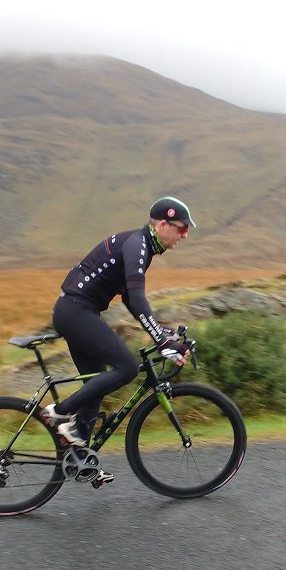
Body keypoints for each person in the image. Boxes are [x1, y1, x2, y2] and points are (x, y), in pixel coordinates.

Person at [44, 196, 195, 483]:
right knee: (125, 367)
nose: (184, 236)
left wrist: (160, 332)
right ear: (163, 224)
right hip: (76, 311)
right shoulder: (138, 245)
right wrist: (161, 342)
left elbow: (127, 296)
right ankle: (59, 412)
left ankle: (80, 460)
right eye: (181, 228)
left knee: (95, 382)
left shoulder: (142, 246)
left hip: (75, 311)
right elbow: (136, 297)